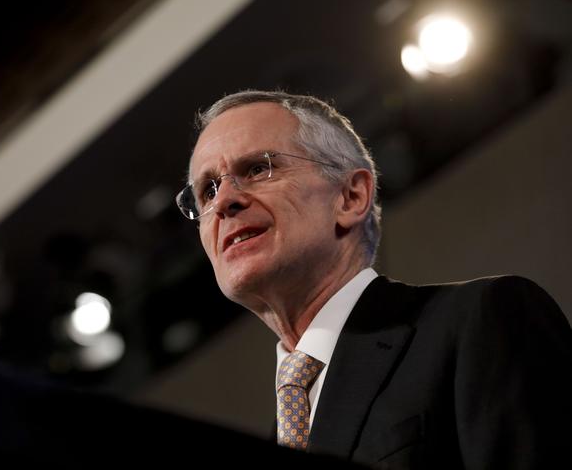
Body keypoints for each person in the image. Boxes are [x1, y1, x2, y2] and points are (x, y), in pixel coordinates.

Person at [175, 90, 572, 469]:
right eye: (207, 190)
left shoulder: (482, 322)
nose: (224, 201)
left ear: (350, 197)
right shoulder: (282, 432)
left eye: (258, 168)